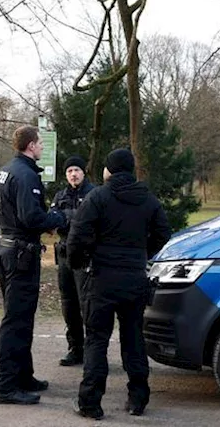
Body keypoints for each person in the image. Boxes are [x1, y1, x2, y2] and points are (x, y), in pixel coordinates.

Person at [67, 148, 172, 420]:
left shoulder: (98, 197)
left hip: (101, 277)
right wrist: (143, 253)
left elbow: (78, 235)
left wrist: (79, 261)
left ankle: (90, 402)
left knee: (97, 340)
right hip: (134, 278)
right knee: (134, 338)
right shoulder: (147, 199)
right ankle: (138, 398)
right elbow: (163, 232)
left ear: (110, 170)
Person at [0, 126, 68, 405]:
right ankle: (6, 387)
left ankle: (23, 375)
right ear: (31, 145)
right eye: (40, 144)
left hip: (9, 248)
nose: (42, 149)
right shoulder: (25, 175)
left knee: (22, 317)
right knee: (17, 320)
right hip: (20, 253)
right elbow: (31, 217)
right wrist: (57, 219)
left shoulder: (6, 170)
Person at [50, 154, 95, 367]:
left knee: (87, 303)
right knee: (68, 304)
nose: (73, 174)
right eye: (69, 171)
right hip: (64, 255)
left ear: (83, 172)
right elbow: (51, 220)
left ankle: (92, 351)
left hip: (85, 256)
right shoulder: (60, 195)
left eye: (76, 170)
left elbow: (88, 222)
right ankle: (75, 348)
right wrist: (70, 217)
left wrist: (66, 217)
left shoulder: (93, 194)